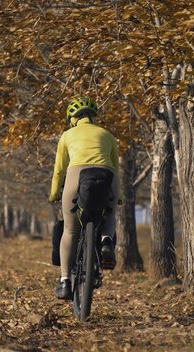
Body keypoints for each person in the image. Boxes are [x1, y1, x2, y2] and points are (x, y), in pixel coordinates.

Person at [49, 97, 119, 300]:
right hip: (107, 174)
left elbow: (59, 169)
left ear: (72, 118)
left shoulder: (67, 135)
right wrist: (119, 196)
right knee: (110, 213)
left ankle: (64, 281)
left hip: (77, 174)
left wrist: (54, 194)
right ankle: (106, 240)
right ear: (94, 117)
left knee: (70, 229)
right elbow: (116, 166)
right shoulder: (108, 135)